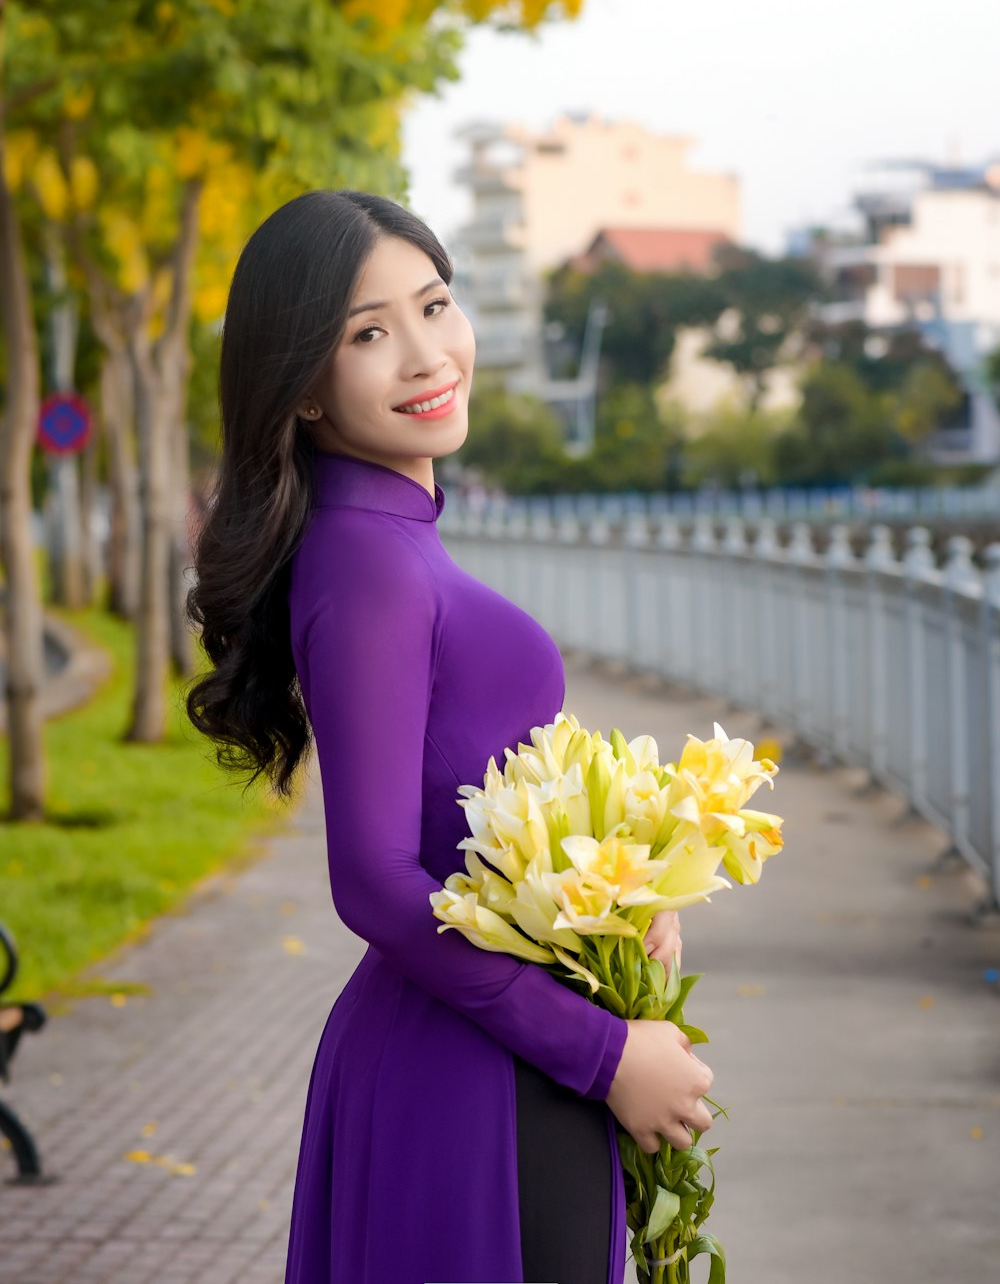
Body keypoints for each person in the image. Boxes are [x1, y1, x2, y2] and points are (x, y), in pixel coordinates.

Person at [184, 190, 714, 1284]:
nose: (427, 354)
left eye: (434, 305)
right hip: (481, 1077)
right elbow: (375, 879)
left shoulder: (386, 539)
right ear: (306, 390)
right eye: (367, 333)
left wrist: (620, 894)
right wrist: (604, 1051)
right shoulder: (371, 564)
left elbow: (466, 797)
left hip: (487, 1056)